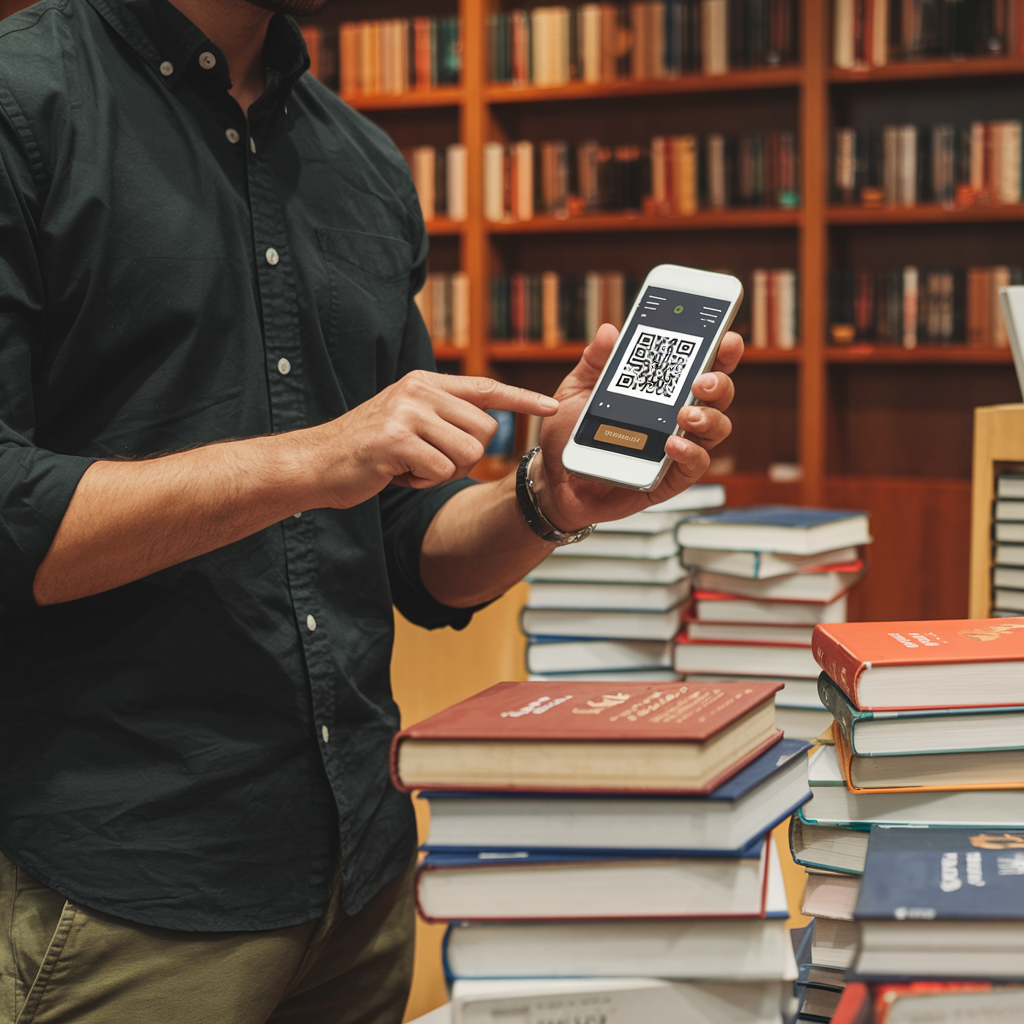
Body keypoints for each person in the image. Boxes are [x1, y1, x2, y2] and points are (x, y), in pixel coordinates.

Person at [0, 0, 743, 1020]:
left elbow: (404, 549)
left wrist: (546, 497)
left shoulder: (359, 162)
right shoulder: (23, 102)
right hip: (127, 886)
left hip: (360, 876)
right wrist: (315, 457)